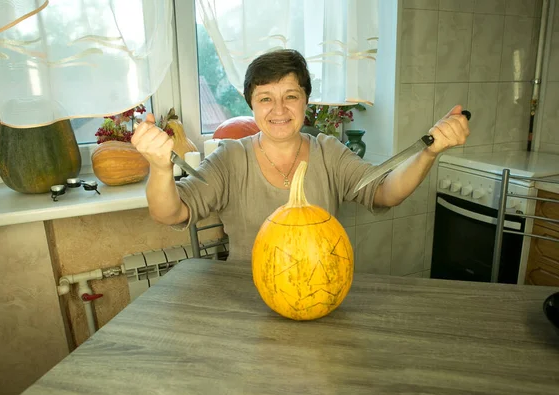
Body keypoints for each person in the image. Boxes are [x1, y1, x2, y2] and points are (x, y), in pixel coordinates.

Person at [131, 49, 469, 263]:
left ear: (306, 101)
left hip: (319, 293)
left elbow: (386, 191)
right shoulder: (230, 158)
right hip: (245, 299)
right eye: (265, 98)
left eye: (291, 95)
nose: (279, 109)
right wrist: (160, 167)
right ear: (251, 104)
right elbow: (170, 213)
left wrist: (429, 151)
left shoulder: (329, 152)